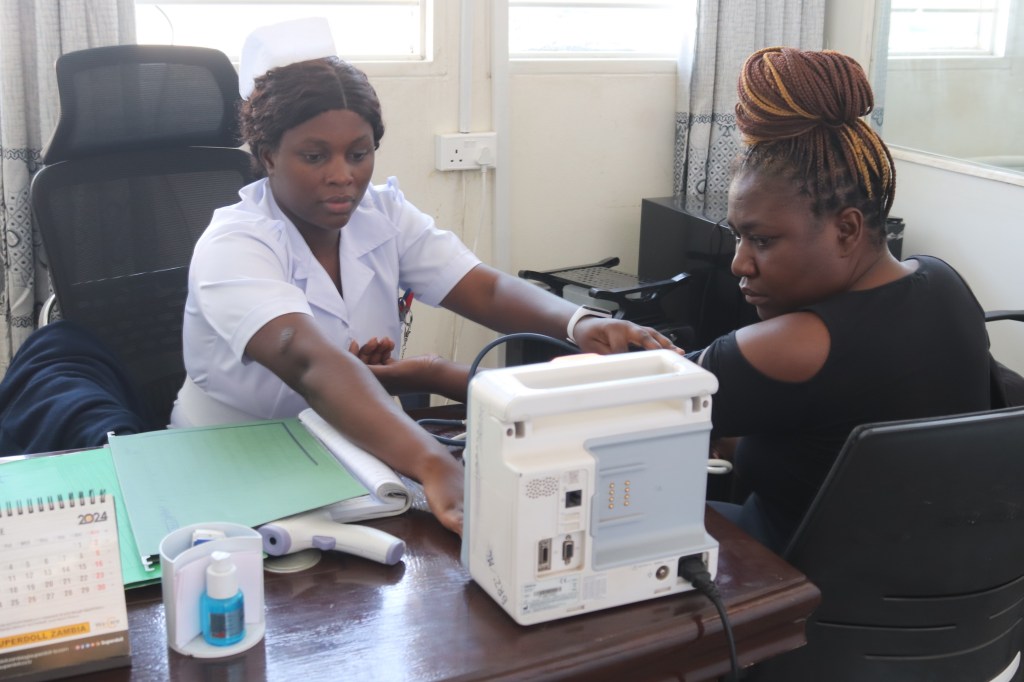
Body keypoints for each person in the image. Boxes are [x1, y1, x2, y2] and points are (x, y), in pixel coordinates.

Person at [170, 18, 676, 537]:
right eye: (315, 156)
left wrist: (579, 324)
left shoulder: (382, 214)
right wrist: (433, 462)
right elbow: (308, 361)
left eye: (359, 153)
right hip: (234, 459)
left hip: (350, 449)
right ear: (268, 155)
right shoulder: (234, 246)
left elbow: (483, 288)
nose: (343, 175)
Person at [693, 47, 992, 553]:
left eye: (761, 240)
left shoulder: (791, 346)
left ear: (847, 229)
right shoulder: (946, 282)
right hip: (950, 582)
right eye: (737, 237)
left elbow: (627, 406)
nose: (740, 263)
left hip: (793, 586)